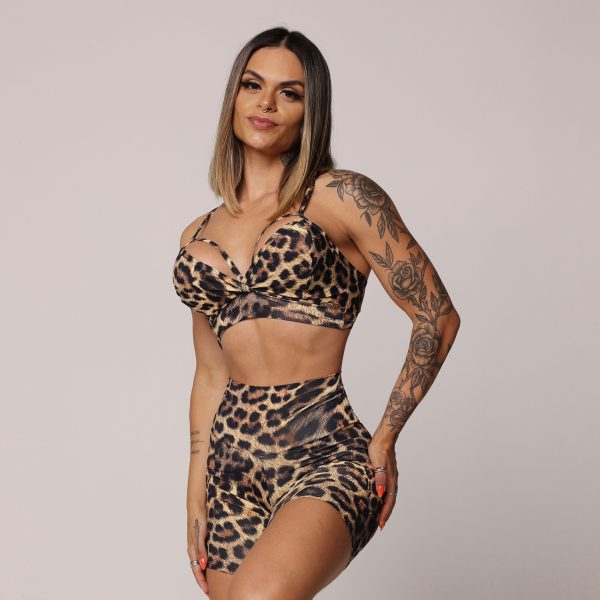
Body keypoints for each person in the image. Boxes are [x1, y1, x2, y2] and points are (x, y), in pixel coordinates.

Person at [172, 27, 461, 600]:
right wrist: (195, 495)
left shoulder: (342, 196)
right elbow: (210, 374)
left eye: (290, 93)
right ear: (233, 96)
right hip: (230, 472)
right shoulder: (198, 233)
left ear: (312, 111)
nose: (266, 103)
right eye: (252, 85)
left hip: (323, 451)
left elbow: (437, 316)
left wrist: (385, 437)